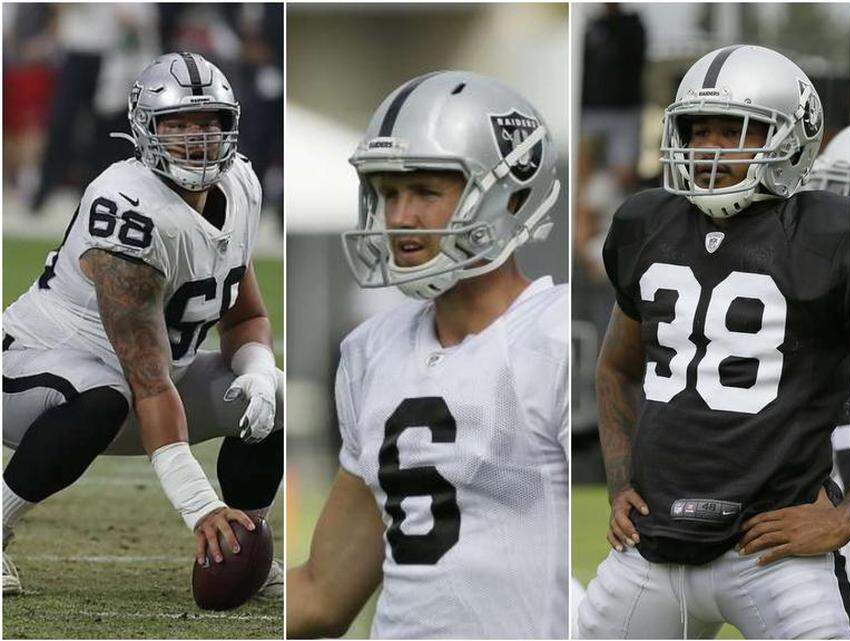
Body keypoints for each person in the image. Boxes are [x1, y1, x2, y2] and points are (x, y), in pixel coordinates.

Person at [577, 44, 850, 639]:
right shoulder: (645, 223)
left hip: (772, 554)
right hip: (649, 550)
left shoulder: (827, 234)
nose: (708, 149)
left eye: (734, 133)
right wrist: (621, 482)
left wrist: (848, 516)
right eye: (697, 131)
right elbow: (615, 368)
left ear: (791, 139)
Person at [286, 71, 569, 639]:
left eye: (426, 192)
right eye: (389, 193)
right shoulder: (371, 350)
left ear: (509, 196)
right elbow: (323, 592)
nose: (401, 218)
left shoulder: (557, 337)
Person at [2, 52, 284, 597]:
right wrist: (201, 507)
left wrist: (257, 370)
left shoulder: (243, 187)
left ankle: (247, 545)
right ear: (146, 130)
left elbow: (246, 315)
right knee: (107, 393)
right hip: (32, 377)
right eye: (177, 124)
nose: (197, 139)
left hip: (142, 391)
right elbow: (148, 382)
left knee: (271, 401)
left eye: (209, 122)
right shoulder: (127, 207)